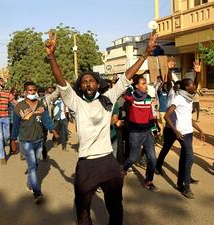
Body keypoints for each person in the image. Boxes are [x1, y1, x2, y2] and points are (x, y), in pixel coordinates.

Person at [46, 31, 156, 225]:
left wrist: (146, 53)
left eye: (91, 81)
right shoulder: (76, 103)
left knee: (116, 208)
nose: (88, 83)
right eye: (84, 82)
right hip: (86, 165)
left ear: (97, 85)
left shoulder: (108, 99)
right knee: (82, 212)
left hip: (108, 162)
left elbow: (126, 77)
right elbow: (61, 83)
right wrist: (51, 56)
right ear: (81, 87)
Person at [10, 81, 58, 204]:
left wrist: (53, 130)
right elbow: (15, 125)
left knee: (35, 164)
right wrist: (13, 140)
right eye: (30, 91)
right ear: (25, 92)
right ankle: (37, 193)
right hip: (26, 141)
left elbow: (46, 119)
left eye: (34, 90)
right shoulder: (19, 107)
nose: (32, 92)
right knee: (32, 167)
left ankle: (29, 184)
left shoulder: (41, 104)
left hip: (39, 139)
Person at [164, 78, 205, 199]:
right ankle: (186, 187)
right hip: (182, 134)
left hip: (189, 132)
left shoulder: (188, 98)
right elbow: (166, 116)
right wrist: (175, 131)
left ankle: (179, 183)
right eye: (192, 84)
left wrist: (200, 130)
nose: (195, 86)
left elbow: (188, 118)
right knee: (190, 158)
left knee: (184, 158)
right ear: (187, 87)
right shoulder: (178, 98)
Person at [122, 74, 159, 191]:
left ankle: (148, 181)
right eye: (143, 83)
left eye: (146, 83)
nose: (146, 86)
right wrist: (127, 81)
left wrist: (154, 128)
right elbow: (123, 92)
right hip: (135, 133)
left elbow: (150, 114)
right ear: (137, 86)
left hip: (147, 132)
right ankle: (123, 169)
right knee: (132, 158)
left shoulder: (148, 98)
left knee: (152, 158)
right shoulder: (130, 98)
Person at [0, 78, 18, 164]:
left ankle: (1, 146)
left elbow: (13, 101)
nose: (3, 82)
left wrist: (23, 106)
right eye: (1, 81)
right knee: (0, 137)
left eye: (3, 81)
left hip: (6, 117)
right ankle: (2, 156)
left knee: (7, 136)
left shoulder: (7, 92)